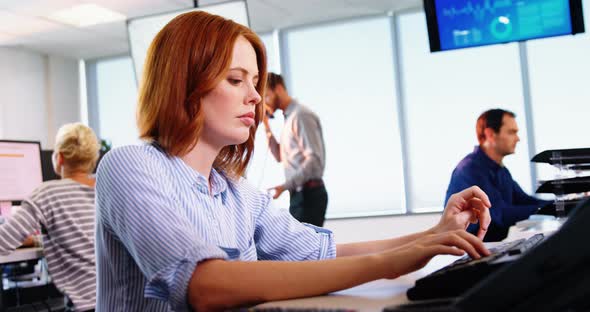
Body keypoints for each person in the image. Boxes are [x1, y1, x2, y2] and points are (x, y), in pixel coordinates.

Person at [94, 11, 492, 312]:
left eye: (255, 83)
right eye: (236, 80)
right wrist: (388, 263)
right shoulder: (129, 166)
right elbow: (205, 284)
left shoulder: (236, 193)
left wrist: (430, 236)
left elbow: (324, 253)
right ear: (184, 86)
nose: (254, 97)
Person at [0, 122, 99, 311]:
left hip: (87, 306)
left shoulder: (47, 193)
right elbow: (81, 235)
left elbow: (3, 241)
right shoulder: (104, 188)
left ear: (59, 158)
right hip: (119, 301)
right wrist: (37, 240)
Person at [445, 109, 551, 242]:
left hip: (487, 246)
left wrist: (565, 205)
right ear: (490, 134)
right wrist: (550, 209)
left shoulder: (501, 170)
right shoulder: (471, 169)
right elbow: (500, 214)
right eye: (512, 132)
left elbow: (525, 200)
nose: (518, 139)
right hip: (466, 251)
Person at [262, 72, 328, 226]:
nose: (265, 103)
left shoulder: (300, 116)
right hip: (299, 195)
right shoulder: (289, 119)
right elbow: (279, 156)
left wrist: (285, 186)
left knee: (304, 249)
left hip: (308, 195)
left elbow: (314, 160)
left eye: (266, 96)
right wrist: (266, 125)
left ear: (278, 89)